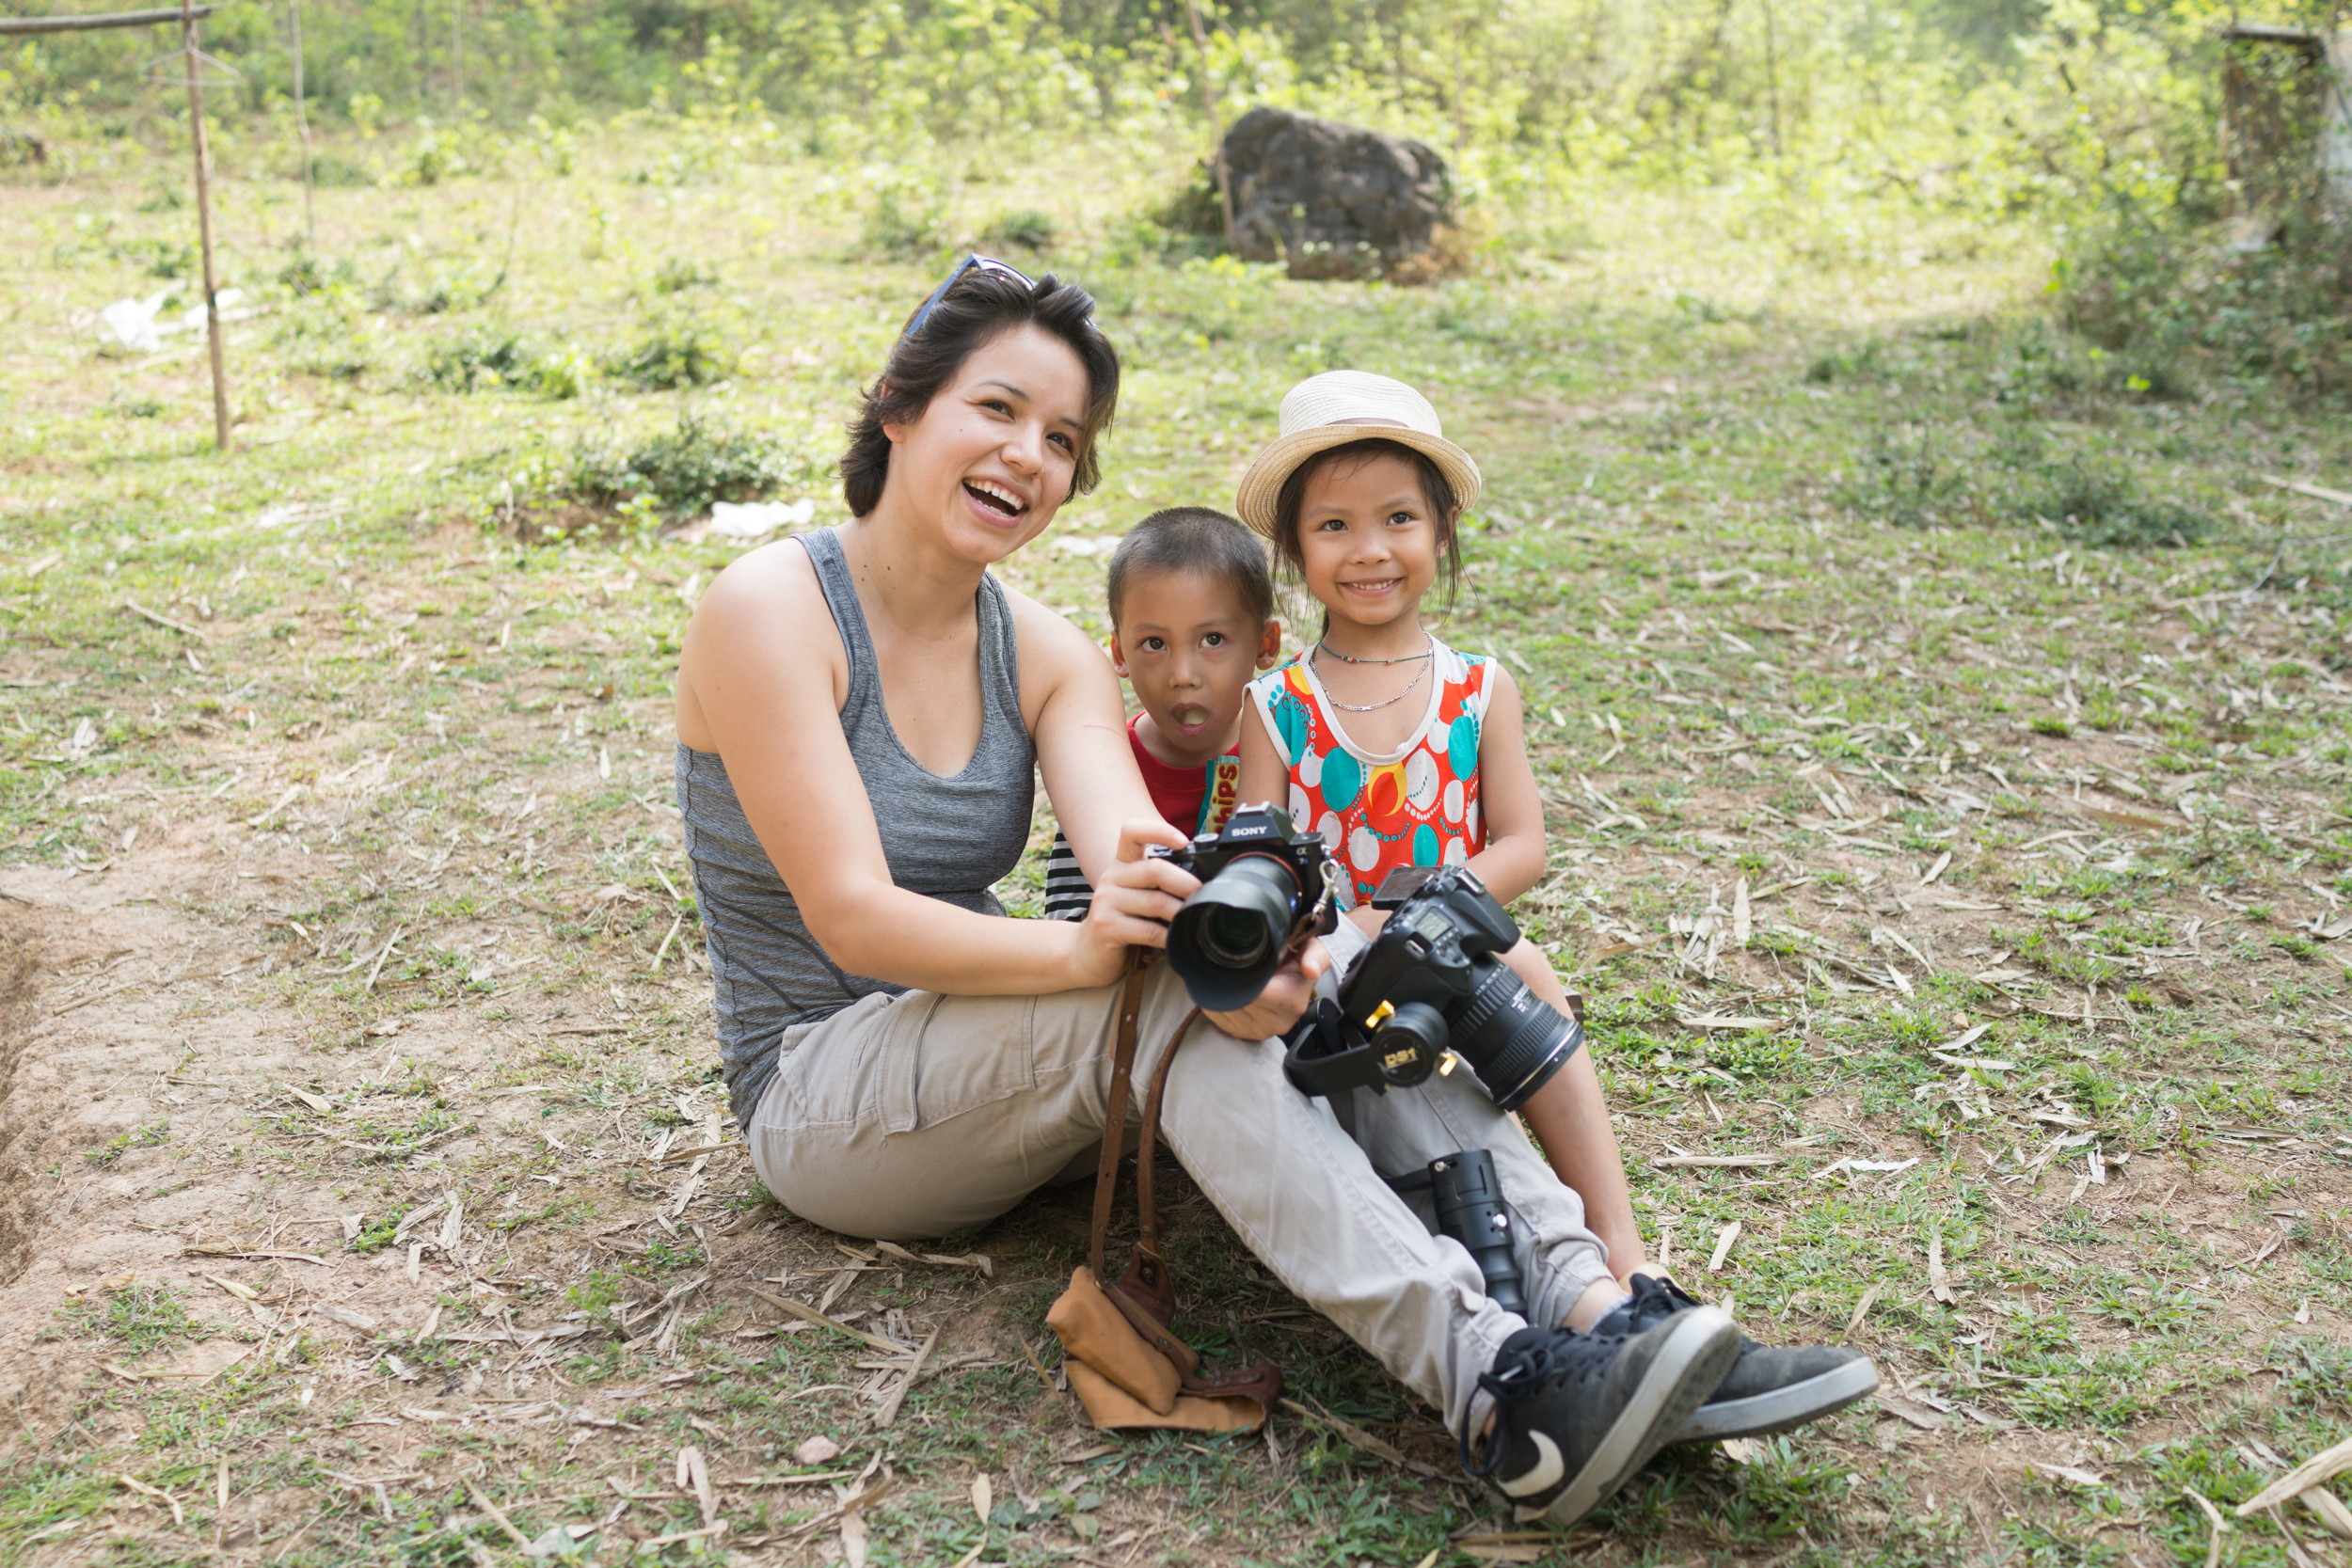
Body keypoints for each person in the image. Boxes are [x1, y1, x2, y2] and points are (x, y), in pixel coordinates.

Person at [669, 255, 1819, 1528]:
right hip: (824, 1093)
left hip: (1002, 1070)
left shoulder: (1042, 649)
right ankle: (1500, 1387)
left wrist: (1257, 945)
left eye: (1063, 437)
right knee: (1158, 1001)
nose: (1029, 456)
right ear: (899, 406)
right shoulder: (774, 607)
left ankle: (1600, 1303)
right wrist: (1101, 954)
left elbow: (1134, 855)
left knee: (1305, 981)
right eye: (996, 410)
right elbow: (853, 913)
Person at [1232, 369, 1880, 1448]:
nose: (1371, 549)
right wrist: (1334, 929)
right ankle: (1559, 1310)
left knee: (1533, 998)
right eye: (1335, 526)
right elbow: (1262, 852)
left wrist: (1443, 905)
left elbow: (1522, 840)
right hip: (1339, 940)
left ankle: (1623, 1252)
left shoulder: (1476, 684)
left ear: (1442, 531)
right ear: (1297, 555)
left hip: (1451, 918)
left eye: (1398, 518)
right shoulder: (1279, 703)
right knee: (1372, 1030)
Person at [1040, 507, 1284, 920]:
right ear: (1119, 654)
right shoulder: (1103, 767)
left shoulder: (1288, 752)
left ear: (1265, 645)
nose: (1182, 676)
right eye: (1154, 644)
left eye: (1212, 639)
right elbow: (1070, 917)